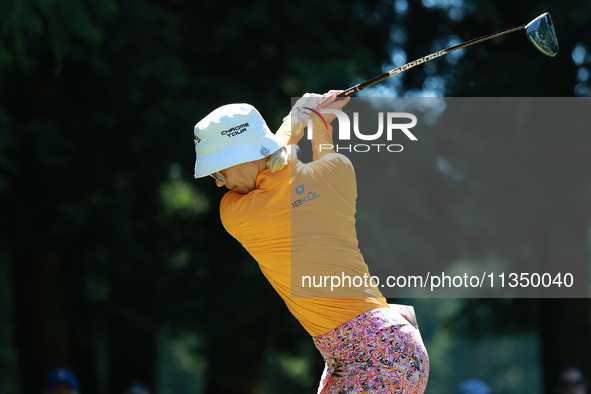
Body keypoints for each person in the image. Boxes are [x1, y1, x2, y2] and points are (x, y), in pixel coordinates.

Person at [193, 91, 429, 393]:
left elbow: (280, 158)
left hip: (375, 354)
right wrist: (313, 119)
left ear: (244, 156)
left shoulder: (236, 213)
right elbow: (288, 160)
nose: (218, 181)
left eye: (217, 169)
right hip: (383, 345)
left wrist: (298, 118)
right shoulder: (339, 172)